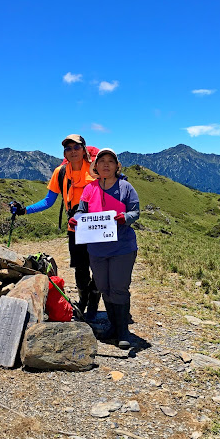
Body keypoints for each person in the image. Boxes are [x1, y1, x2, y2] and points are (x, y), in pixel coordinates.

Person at [14, 134, 101, 318]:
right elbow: (48, 201)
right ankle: (84, 301)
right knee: (81, 268)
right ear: (64, 153)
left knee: (100, 266)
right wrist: (24, 210)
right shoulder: (60, 172)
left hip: (98, 225)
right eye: (68, 148)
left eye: (76, 147)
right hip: (75, 228)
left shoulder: (95, 168)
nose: (72, 151)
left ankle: (93, 302)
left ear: (84, 149)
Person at [70, 148, 140, 349]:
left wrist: (125, 218)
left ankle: (123, 330)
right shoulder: (89, 189)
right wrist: (76, 220)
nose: (106, 164)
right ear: (96, 166)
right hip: (97, 249)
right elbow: (81, 210)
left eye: (111, 161)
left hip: (122, 247)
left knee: (118, 287)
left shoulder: (126, 187)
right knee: (103, 287)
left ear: (117, 166)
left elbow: (135, 212)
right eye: (102, 161)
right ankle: (113, 325)